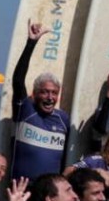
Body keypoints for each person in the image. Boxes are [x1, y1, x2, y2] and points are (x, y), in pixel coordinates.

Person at [8, 22, 72, 180]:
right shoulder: (25, 110)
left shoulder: (63, 119)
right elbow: (17, 80)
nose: (50, 97)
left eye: (54, 93)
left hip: (50, 193)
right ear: (34, 94)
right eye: (44, 92)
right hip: (22, 188)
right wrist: (31, 42)